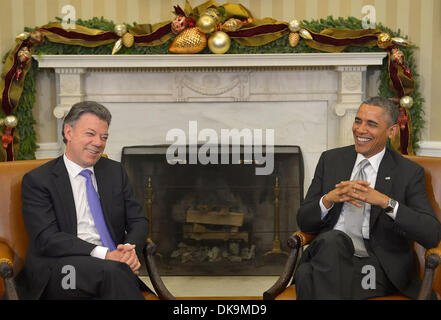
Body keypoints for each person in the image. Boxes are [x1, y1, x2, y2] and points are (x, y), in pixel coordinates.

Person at [294, 96, 441, 299]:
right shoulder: (331, 160)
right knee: (333, 241)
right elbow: (304, 221)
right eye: (358, 121)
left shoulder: (407, 172)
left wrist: (384, 202)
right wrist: (328, 199)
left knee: (306, 276)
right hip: (329, 255)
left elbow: (431, 233)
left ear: (391, 131)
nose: (360, 130)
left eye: (371, 124)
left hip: (375, 266)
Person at [16, 101, 151, 299]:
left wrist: (128, 250)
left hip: (112, 266)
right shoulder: (38, 181)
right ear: (68, 132)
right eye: (90, 133)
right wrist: (106, 254)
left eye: (104, 137)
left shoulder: (114, 172)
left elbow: (139, 220)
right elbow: (47, 239)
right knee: (113, 272)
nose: (98, 142)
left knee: (113, 272)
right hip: (61, 269)